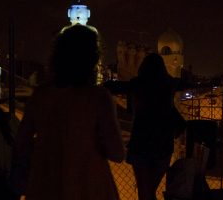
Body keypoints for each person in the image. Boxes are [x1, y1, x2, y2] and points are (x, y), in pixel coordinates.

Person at [14, 24, 125, 200]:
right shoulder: (98, 97)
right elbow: (117, 152)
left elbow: (21, 142)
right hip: (89, 185)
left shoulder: (41, 95)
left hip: (45, 185)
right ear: (92, 57)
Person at [126, 53, 183, 200]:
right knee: (150, 190)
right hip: (163, 145)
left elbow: (130, 110)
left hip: (140, 143)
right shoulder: (169, 84)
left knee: (145, 192)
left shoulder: (137, 84)